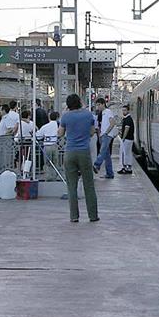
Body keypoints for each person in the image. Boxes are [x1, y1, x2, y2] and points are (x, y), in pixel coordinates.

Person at [58, 94, 99, 222]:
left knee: (71, 186)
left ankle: (74, 216)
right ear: (80, 102)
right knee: (89, 185)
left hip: (69, 153)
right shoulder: (88, 115)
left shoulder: (66, 116)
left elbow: (60, 133)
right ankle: (93, 216)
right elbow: (92, 132)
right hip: (84, 152)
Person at [92, 97, 117, 179]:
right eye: (97, 105)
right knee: (107, 156)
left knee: (102, 150)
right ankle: (110, 173)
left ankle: (96, 165)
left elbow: (112, 123)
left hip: (107, 135)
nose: (97, 107)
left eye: (99, 105)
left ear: (103, 104)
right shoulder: (102, 113)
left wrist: (106, 132)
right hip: (103, 135)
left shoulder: (108, 112)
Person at [36, 110, 61, 176]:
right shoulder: (59, 125)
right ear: (57, 117)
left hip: (47, 146)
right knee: (55, 162)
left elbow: (38, 136)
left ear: (49, 117)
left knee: (47, 162)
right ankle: (55, 175)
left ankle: (48, 176)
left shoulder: (45, 126)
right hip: (55, 145)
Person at [118, 104, 135, 175]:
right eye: (123, 110)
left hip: (127, 139)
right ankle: (128, 167)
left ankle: (125, 168)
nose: (123, 112)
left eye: (125, 110)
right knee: (127, 153)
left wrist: (123, 138)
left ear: (128, 110)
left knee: (125, 153)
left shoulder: (128, 119)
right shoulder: (127, 118)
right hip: (129, 139)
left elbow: (126, 129)